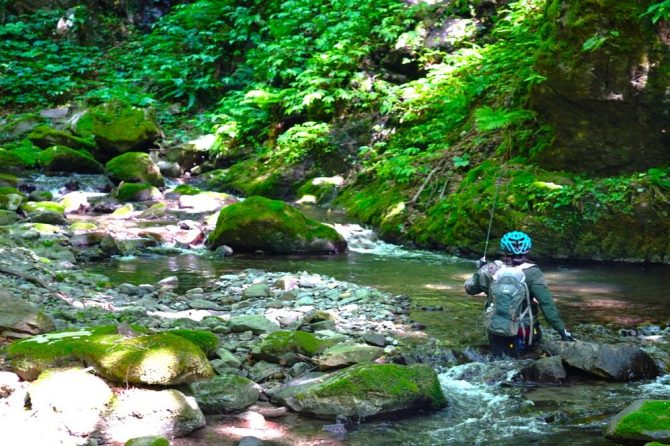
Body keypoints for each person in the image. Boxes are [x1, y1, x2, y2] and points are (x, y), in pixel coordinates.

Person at [464, 230, 575, 358]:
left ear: (503, 249)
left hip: (496, 328)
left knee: (498, 360)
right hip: (524, 330)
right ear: (527, 249)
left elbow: (470, 289)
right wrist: (563, 331)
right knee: (525, 360)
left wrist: (480, 271)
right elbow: (547, 305)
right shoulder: (533, 272)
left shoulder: (489, 269)